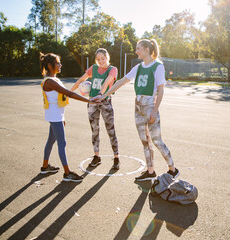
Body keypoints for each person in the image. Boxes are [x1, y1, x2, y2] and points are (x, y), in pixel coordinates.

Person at [94, 39, 179, 181]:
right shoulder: (139, 67)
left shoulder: (157, 66)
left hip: (150, 106)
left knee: (157, 141)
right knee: (145, 141)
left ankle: (173, 169)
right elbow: (121, 82)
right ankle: (150, 171)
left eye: (138, 48)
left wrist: (154, 111)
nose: (136, 51)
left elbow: (161, 90)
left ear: (146, 50)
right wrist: (103, 96)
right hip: (138, 105)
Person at [40, 52, 95, 182]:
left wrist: (62, 118)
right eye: (58, 62)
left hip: (56, 115)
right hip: (54, 116)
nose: (60, 65)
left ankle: (45, 166)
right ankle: (67, 173)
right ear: (50, 65)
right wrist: (89, 101)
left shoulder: (54, 79)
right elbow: (69, 93)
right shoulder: (50, 82)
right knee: (62, 143)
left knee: (51, 141)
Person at [71, 48, 120, 170]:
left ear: (107, 57)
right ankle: (97, 156)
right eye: (98, 59)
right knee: (94, 130)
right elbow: (82, 79)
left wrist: (100, 94)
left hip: (105, 102)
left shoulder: (112, 69)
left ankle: (116, 158)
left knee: (111, 130)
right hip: (92, 102)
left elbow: (106, 83)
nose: (100, 61)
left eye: (102, 58)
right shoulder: (93, 68)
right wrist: (69, 92)